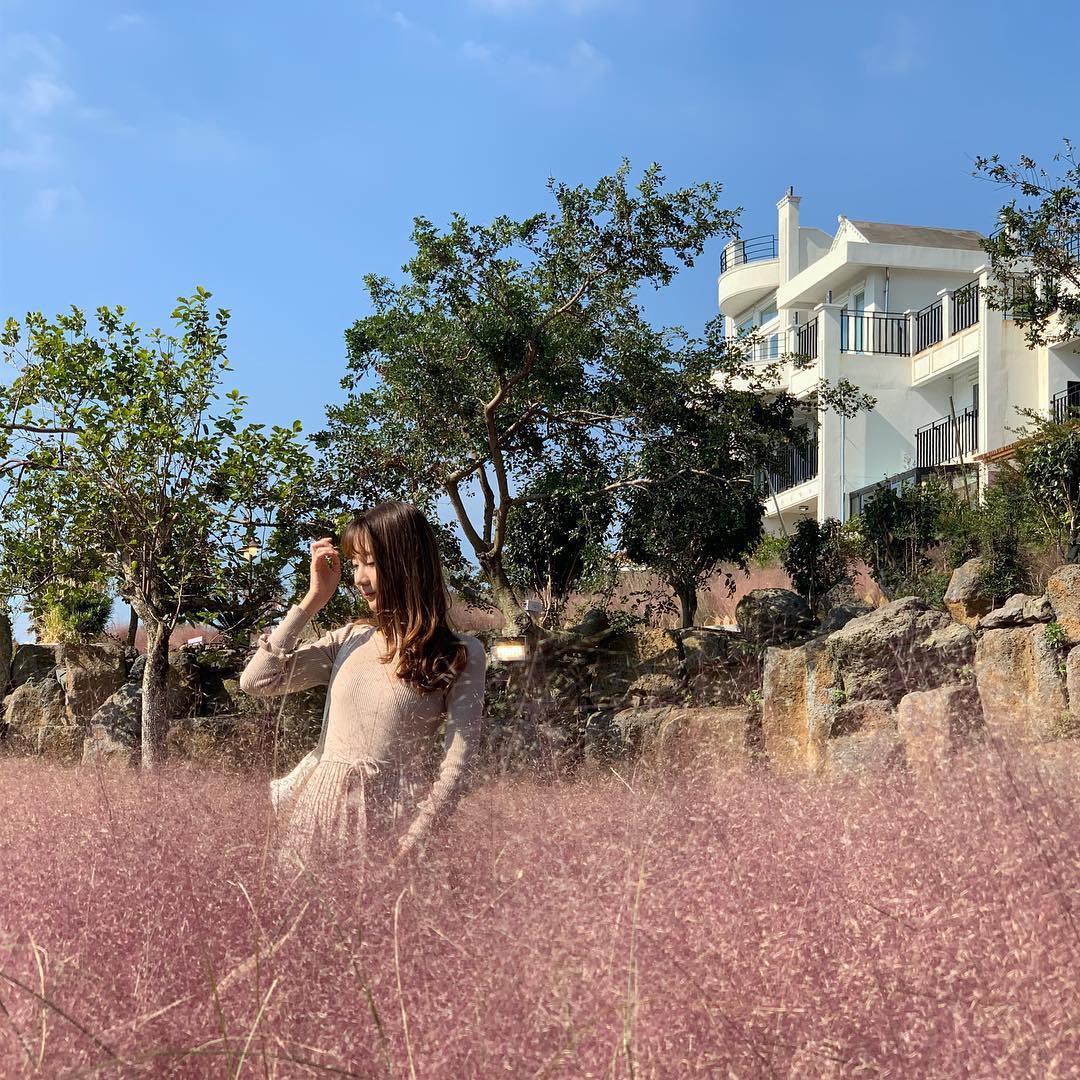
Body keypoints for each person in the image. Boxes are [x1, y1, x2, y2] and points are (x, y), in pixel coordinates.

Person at [238, 502, 487, 872]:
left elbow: (458, 763)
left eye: (369, 562)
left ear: (406, 562)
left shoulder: (458, 652)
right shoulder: (349, 640)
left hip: (392, 827)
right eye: (354, 564)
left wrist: (413, 841)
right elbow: (256, 681)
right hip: (315, 820)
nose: (358, 578)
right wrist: (312, 601)